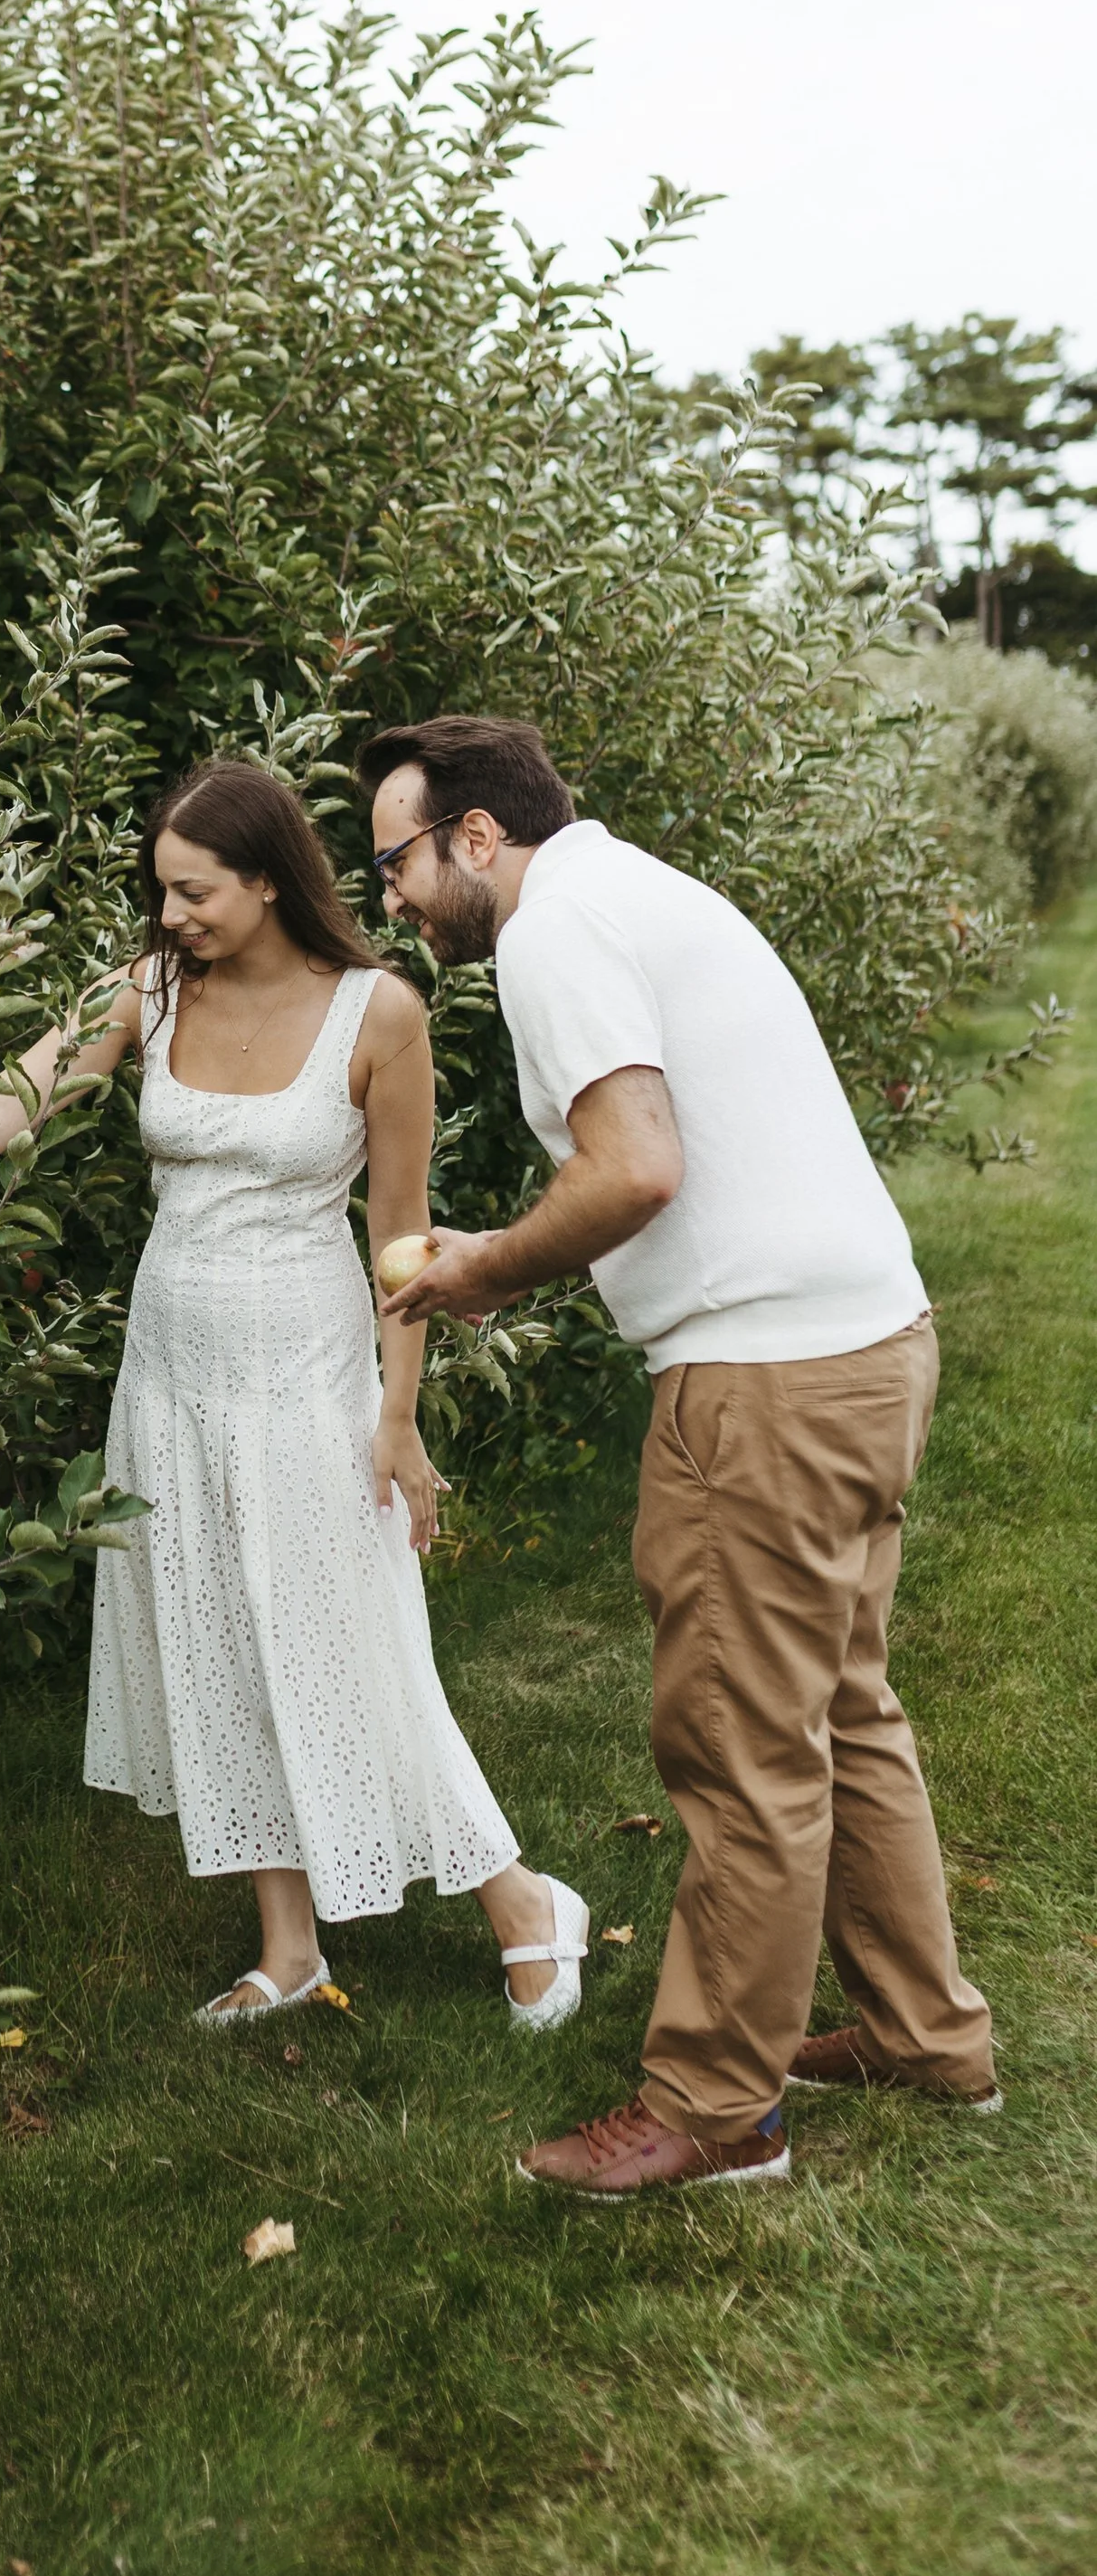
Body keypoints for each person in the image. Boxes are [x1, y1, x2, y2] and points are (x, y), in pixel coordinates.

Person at [0, 758, 583, 2029]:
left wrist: (398, 1422)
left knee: (351, 1647)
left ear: (271, 879)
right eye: (161, 891)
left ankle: (522, 1901)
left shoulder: (379, 1013)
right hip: (172, 1367)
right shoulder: (151, 989)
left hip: (309, 1371)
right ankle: (289, 1948)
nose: (171, 914)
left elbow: (404, 1242)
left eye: (194, 892)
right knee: (218, 1637)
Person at [359, 712, 998, 2197]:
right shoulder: (633, 889)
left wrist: (480, 1267)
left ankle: (718, 2109)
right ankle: (923, 2034)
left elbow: (638, 1163)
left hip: (768, 1381)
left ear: (473, 836)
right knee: (841, 1711)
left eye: (395, 856)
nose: (388, 892)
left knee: (742, 1745)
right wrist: (510, 1257)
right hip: (868, 1344)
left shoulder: (552, 930)